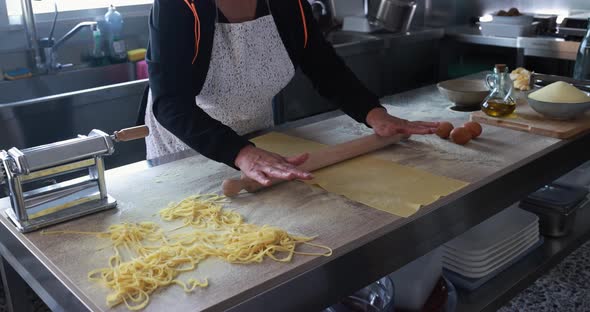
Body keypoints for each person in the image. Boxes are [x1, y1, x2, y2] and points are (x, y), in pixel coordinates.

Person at [139, 0, 439, 186]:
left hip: (258, 138)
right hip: (187, 140)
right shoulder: (179, 5)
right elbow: (171, 103)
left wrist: (374, 114)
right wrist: (240, 152)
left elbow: (322, 64)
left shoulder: (287, 2)